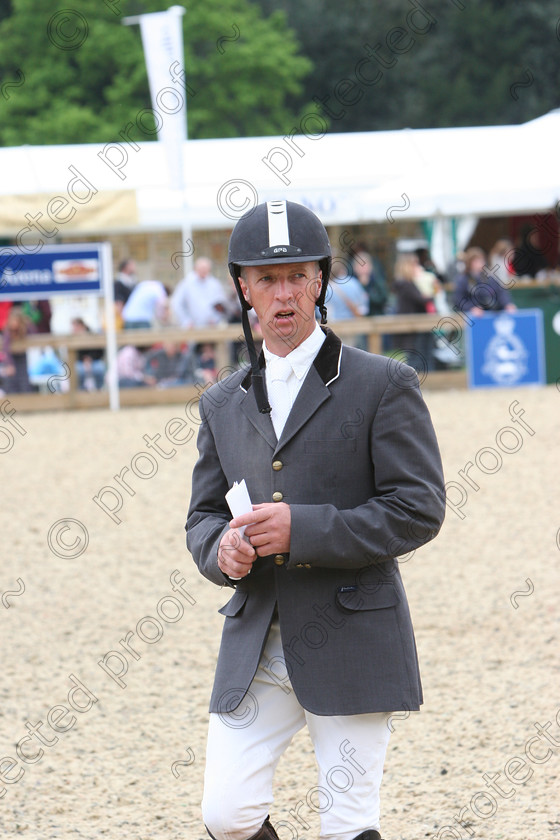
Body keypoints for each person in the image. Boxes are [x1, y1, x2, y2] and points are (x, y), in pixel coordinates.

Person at [186, 200, 446, 840]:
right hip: (259, 638)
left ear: (320, 282)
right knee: (225, 814)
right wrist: (220, 548)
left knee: (348, 822)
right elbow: (202, 515)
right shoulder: (222, 402)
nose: (283, 295)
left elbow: (418, 508)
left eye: (297, 277)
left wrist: (305, 529)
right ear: (243, 287)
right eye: (267, 280)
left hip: (353, 629)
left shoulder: (385, 383)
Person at [392, 253, 438, 371]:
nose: (418, 267)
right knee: (416, 359)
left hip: (418, 327)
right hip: (411, 328)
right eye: (415, 264)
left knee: (423, 356)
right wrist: (433, 290)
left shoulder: (407, 283)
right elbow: (422, 299)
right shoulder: (405, 284)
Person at [453, 246, 516, 317]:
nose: (480, 264)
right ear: (469, 263)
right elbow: (459, 300)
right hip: (472, 318)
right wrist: (471, 308)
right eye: (476, 261)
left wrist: (507, 304)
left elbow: (501, 292)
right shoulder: (463, 280)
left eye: (481, 260)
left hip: (490, 315)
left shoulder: (489, 277)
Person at [170, 257, 228, 328]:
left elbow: (221, 304)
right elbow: (177, 303)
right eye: (201, 268)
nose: (204, 271)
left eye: (206, 268)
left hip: (212, 327)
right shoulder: (186, 284)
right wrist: (186, 321)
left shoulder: (214, 284)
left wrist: (215, 318)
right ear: (195, 268)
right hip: (192, 328)